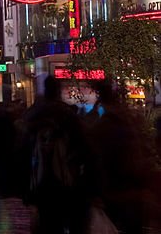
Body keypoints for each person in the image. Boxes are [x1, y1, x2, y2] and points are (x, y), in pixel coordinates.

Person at [21, 75, 93, 234]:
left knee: (47, 222)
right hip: (66, 179)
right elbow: (84, 147)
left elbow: (22, 150)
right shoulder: (68, 116)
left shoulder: (32, 116)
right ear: (58, 91)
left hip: (40, 180)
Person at [87, 82, 156, 234]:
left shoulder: (102, 126)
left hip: (115, 192)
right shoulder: (130, 121)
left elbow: (94, 159)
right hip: (132, 191)